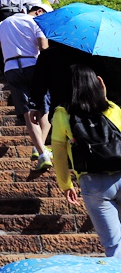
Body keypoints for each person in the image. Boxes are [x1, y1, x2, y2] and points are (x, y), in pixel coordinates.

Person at [51, 64, 121, 257]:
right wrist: (104, 96)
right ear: (96, 84)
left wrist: (66, 184)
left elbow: (58, 155)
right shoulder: (113, 109)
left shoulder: (62, 114)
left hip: (94, 183)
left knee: (114, 245)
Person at [0, 4, 52, 170]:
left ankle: (42, 152)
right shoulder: (36, 22)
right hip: (33, 65)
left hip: (11, 68)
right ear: (38, 11)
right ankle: (40, 149)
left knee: (27, 113)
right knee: (44, 110)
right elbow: (43, 46)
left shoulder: (4, 23)